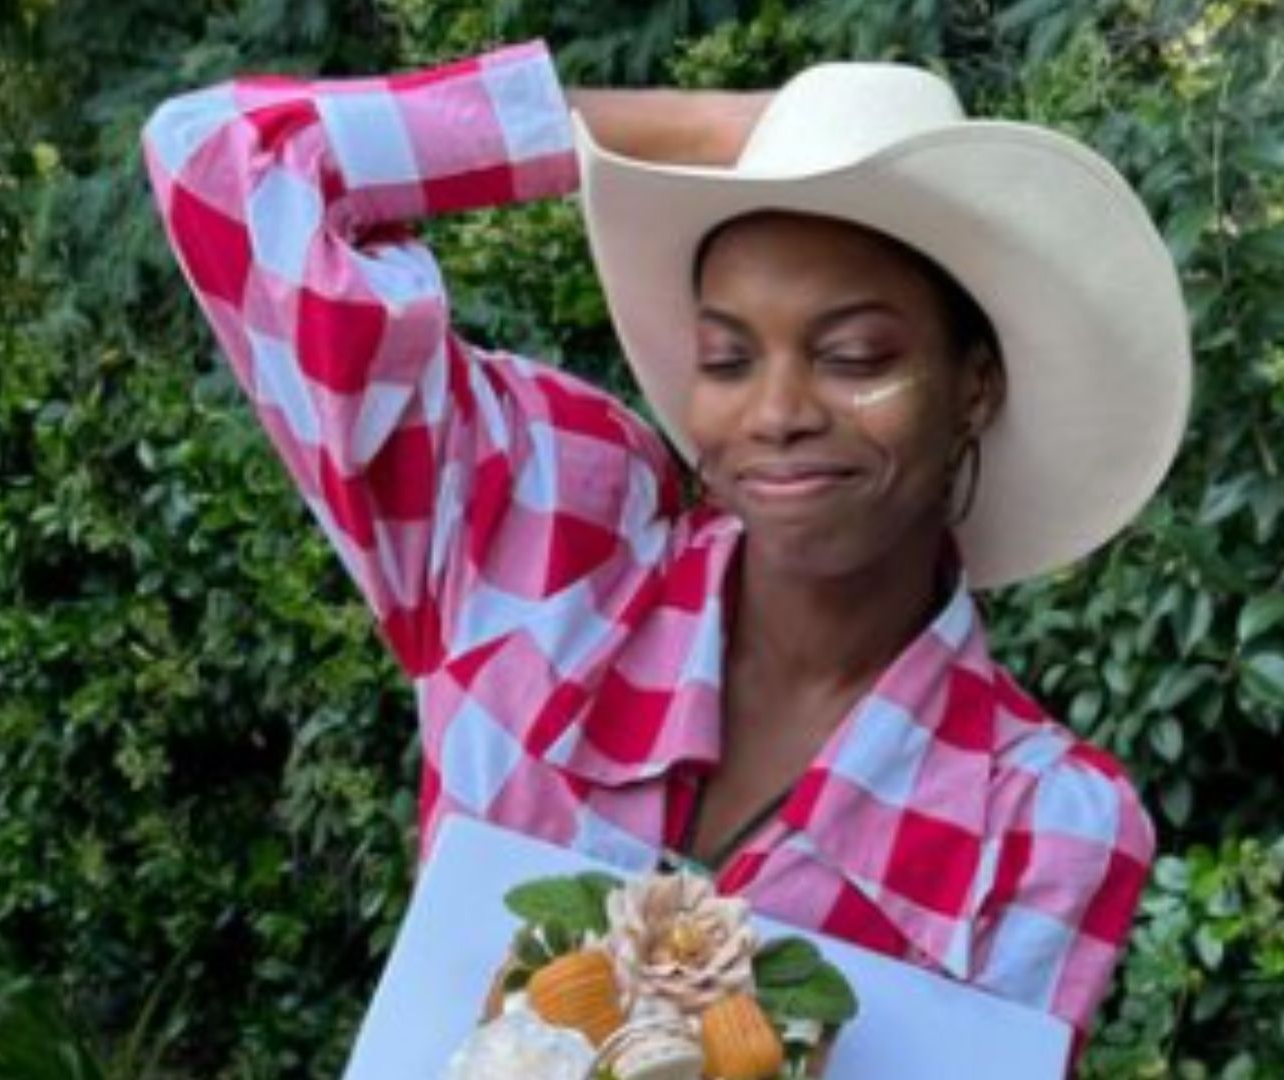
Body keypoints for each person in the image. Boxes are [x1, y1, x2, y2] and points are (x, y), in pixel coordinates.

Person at [142, 38, 1189, 1061]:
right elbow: (224, 157)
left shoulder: (1043, 829)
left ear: (975, 383)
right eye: (726, 358)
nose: (775, 412)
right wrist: (708, 133)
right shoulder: (547, 534)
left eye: (856, 355)